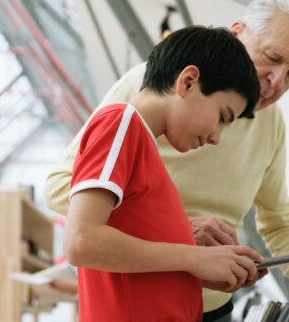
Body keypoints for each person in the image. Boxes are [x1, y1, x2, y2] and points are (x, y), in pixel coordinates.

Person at [48, 0, 289, 321]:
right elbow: (70, 199)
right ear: (237, 33)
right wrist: (182, 237)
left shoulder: (271, 125)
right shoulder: (134, 112)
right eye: (272, 56)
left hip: (197, 300)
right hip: (142, 295)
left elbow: (279, 219)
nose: (277, 81)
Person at [63, 26, 267, 321]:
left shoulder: (147, 153)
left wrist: (201, 271)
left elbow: (134, 271)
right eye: (222, 117)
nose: (216, 137)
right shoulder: (122, 123)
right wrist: (195, 258)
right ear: (189, 81)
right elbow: (80, 241)